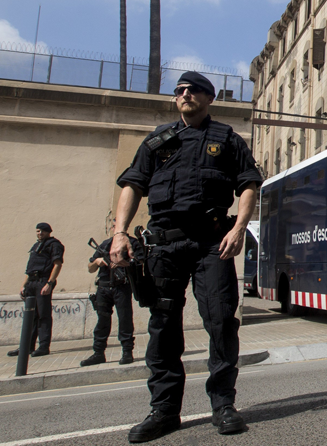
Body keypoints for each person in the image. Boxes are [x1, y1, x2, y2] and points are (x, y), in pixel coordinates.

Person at [110, 71, 260, 442]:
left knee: (222, 320)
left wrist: (239, 228)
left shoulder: (227, 138)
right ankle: (163, 411)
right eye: (179, 91)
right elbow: (133, 185)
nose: (185, 94)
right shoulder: (157, 141)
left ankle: (223, 405)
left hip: (212, 243)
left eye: (193, 90)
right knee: (162, 327)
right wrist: (119, 233)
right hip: (164, 247)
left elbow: (249, 184)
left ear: (209, 97)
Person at [81, 229, 141, 366]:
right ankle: (98, 353)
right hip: (103, 288)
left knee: (125, 319)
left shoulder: (131, 243)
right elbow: (90, 268)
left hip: (122, 286)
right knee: (102, 321)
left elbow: (140, 263)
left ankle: (127, 352)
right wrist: (97, 262)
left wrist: (124, 263)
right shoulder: (104, 245)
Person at [7, 223, 64, 358]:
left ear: (49, 232)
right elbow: (29, 269)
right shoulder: (35, 246)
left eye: (43, 231)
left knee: (43, 315)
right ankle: (26, 346)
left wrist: (49, 283)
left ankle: (44, 346)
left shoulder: (54, 245)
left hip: (43, 281)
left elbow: (57, 264)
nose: (40, 233)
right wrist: (23, 285)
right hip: (32, 282)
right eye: (38, 231)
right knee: (30, 316)